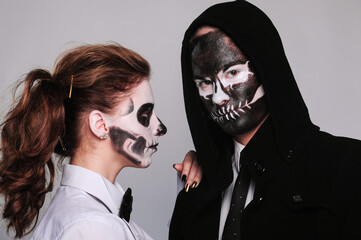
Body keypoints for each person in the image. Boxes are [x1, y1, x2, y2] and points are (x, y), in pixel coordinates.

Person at [169, 1, 361, 239]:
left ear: (267, 67)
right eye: (205, 83)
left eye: (233, 73)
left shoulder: (349, 166)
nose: (218, 97)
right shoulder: (195, 191)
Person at [0, 43, 201, 239]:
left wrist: (190, 199)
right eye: (146, 114)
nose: (160, 128)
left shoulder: (92, 217)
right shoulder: (92, 227)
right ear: (101, 125)